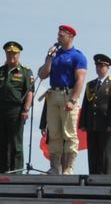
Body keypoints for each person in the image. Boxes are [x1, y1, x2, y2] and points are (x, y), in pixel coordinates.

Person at [37, 25, 89, 174]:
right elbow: (42, 75)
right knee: (54, 133)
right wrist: (49, 58)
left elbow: (80, 80)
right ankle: (55, 166)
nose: (58, 38)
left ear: (70, 36)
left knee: (69, 133)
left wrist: (73, 100)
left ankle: (69, 167)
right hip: (53, 94)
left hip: (68, 94)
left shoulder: (78, 56)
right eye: (58, 35)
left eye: (61, 36)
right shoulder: (55, 54)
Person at [0, 41, 35, 173]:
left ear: (19, 54)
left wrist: (26, 109)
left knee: (15, 142)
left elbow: (30, 92)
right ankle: (1, 169)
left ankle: (16, 171)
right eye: (8, 53)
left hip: (16, 111)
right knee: (0, 142)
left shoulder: (25, 71)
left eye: (13, 53)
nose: (10, 56)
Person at [82, 54, 111, 176]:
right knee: (93, 152)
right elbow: (86, 105)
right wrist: (83, 123)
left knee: (105, 152)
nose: (99, 68)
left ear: (107, 67)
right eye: (97, 66)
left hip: (105, 124)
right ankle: (93, 175)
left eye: (102, 66)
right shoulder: (91, 85)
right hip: (92, 124)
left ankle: (105, 176)